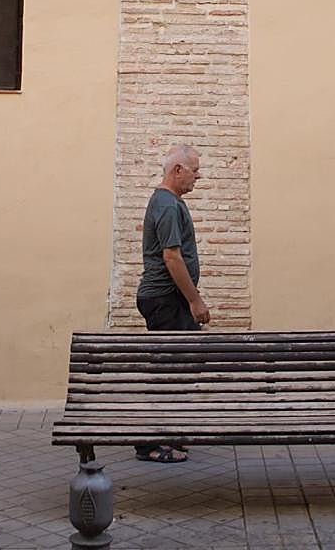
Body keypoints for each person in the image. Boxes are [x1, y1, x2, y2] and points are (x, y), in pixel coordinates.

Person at [133, 144, 211, 463]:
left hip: (169, 300)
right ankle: (149, 443)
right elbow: (172, 257)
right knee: (168, 372)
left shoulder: (170, 202)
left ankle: (170, 433)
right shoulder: (166, 204)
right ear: (177, 170)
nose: (198, 176)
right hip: (166, 300)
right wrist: (195, 300)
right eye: (195, 170)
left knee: (180, 369)